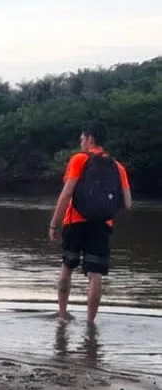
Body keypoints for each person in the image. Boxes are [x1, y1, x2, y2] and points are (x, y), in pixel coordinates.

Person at [48, 120, 132, 323]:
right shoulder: (118, 167)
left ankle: (62, 314)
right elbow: (128, 203)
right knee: (96, 275)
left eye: (82, 139)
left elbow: (67, 193)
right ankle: (90, 324)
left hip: (75, 222)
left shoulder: (79, 159)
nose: (80, 142)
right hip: (102, 225)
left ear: (90, 139)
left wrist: (54, 223)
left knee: (67, 267)